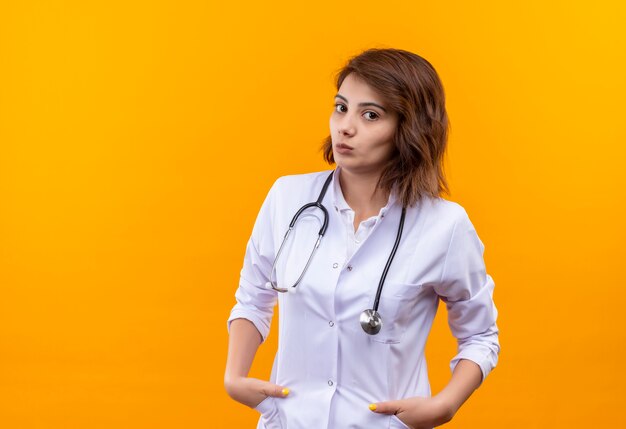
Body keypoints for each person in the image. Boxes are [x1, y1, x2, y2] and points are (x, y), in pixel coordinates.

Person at [224, 48, 500, 429]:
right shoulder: (287, 198)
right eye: (341, 108)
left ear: (409, 128)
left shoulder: (444, 226)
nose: (346, 127)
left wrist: (445, 405)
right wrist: (235, 378)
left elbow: (481, 335)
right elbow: (253, 297)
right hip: (290, 421)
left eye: (370, 115)